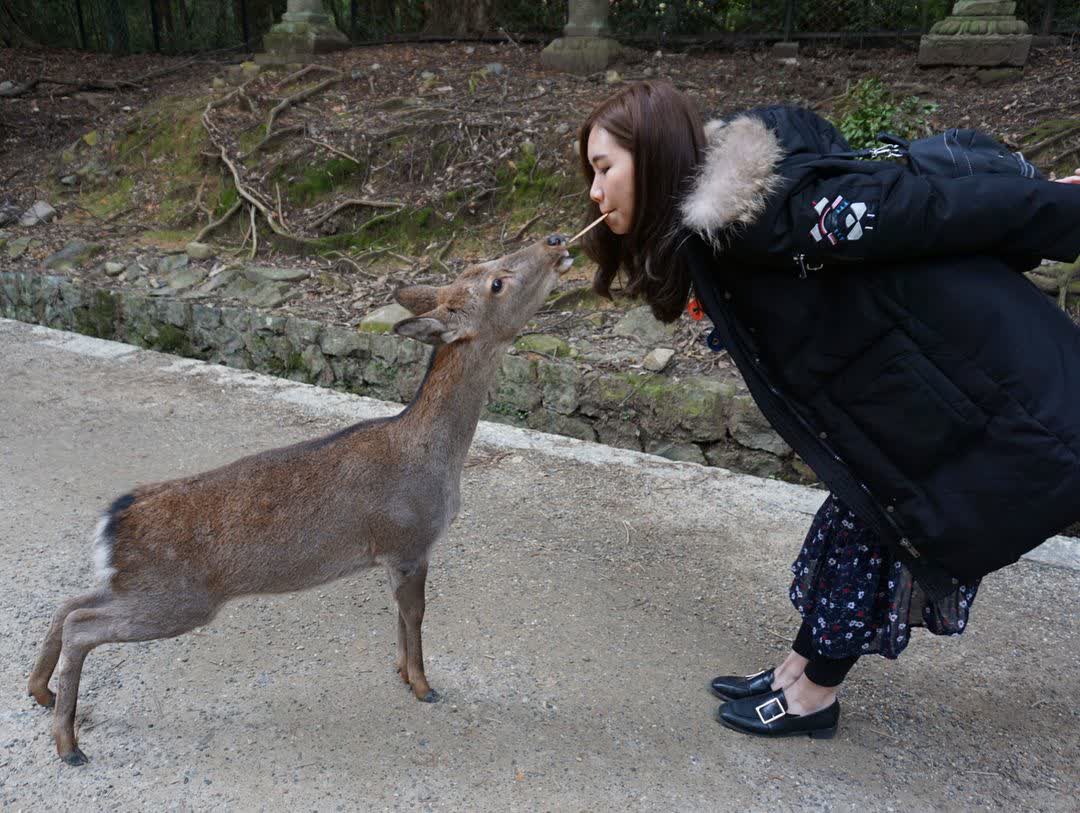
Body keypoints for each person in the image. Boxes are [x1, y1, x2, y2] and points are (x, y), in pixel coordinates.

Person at [577, 80, 1080, 739]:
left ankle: (814, 695)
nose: (595, 191)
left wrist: (1059, 207)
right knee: (855, 528)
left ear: (654, 154)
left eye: (604, 168)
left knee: (874, 536)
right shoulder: (717, 228)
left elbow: (930, 209)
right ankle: (800, 671)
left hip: (981, 388)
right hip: (907, 400)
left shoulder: (771, 209)